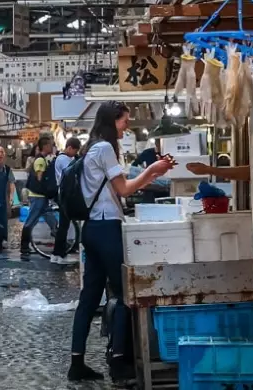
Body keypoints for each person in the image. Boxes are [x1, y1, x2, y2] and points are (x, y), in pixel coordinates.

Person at [69, 101, 175, 384]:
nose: (127, 126)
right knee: (127, 294)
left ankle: (76, 363)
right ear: (111, 121)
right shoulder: (104, 148)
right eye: (124, 121)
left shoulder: (92, 147)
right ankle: (119, 364)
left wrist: (153, 172)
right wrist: (152, 168)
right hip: (105, 228)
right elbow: (125, 189)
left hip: (91, 229)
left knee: (89, 299)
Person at [20, 136, 58, 259]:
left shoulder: (43, 159)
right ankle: (24, 246)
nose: (52, 147)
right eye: (51, 145)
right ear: (45, 146)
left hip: (41, 197)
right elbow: (40, 179)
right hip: (38, 197)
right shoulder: (40, 161)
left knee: (51, 219)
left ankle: (59, 240)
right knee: (31, 221)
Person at [51, 137, 82, 265]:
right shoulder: (63, 159)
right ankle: (58, 255)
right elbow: (72, 172)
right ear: (69, 148)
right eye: (75, 151)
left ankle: (57, 254)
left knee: (64, 225)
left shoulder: (67, 158)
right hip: (64, 195)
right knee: (63, 226)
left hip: (65, 195)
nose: (75, 153)